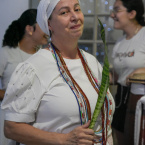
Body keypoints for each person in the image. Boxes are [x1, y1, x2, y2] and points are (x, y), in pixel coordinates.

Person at [1, 0, 115, 145]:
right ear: (49, 24)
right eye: (64, 12)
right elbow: (11, 128)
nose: (75, 16)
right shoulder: (34, 67)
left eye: (77, 9)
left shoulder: (92, 62)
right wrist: (64, 139)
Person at [0, 9, 48, 145]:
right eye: (43, 25)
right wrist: (15, 96)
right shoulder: (6, 53)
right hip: (8, 122)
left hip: (36, 125)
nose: (48, 30)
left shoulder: (44, 57)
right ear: (30, 29)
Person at [110, 0, 145, 144]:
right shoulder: (120, 42)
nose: (112, 15)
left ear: (132, 13)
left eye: (117, 10)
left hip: (140, 100)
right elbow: (118, 76)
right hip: (121, 99)